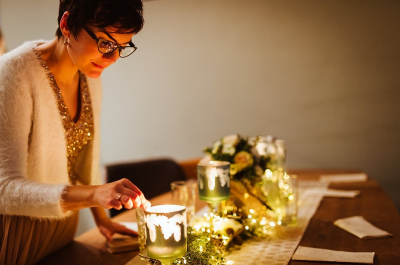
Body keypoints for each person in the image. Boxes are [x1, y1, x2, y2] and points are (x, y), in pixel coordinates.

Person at [0, 0, 150, 264]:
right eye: (105, 43)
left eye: (122, 47)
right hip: (18, 236)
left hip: (63, 231)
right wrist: (95, 194)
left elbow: (81, 163)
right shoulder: (14, 72)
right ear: (67, 24)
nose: (113, 58)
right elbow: (5, 190)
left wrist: (102, 218)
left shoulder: (89, 77)